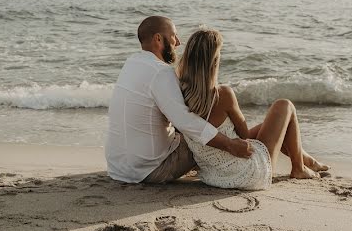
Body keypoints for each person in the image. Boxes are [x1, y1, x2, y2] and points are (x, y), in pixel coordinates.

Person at [105, 16, 253, 184]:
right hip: (149, 170)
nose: (178, 43)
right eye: (174, 36)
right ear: (158, 38)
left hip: (118, 167)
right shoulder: (161, 72)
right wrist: (229, 144)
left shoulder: (131, 63)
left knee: (190, 133)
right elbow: (185, 121)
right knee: (203, 142)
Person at [177, 27, 328, 191]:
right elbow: (244, 135)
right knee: (284, 106)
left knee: (275, 126)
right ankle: (299, 167)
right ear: (214, 61)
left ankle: (308, 160)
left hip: (216, 174)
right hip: (249, 173)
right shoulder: (222, 94)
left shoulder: (177, 95)